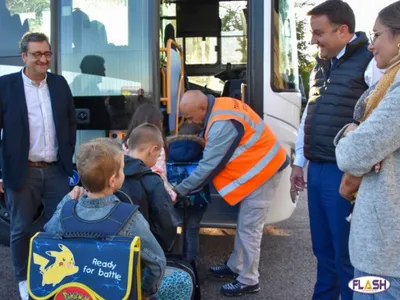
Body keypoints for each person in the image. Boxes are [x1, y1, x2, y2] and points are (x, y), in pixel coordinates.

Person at [290, 1, 382, 299]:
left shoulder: (371, 65)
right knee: (322, 249)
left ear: (343, 31)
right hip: (317, 168)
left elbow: (378, 121)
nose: (313, 40)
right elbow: (310, 113)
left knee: (347, 253)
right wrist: (298, 162)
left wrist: (357, 170)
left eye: (319, 33)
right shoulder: (322, 63)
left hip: (344, 173)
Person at [173, 90, 290, 297]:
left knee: (249, 228)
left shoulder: (221, 123)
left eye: (191, 117)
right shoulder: (222, 105)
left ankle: (249, 280)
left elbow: (208, 167)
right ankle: (236, 266)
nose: (191, 121)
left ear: (202, 108)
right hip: (262, 166)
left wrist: (178, 191)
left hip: (265, 171)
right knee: (245, 225)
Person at [0, 32, 76, 300]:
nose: (43, 59)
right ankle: (23, 280)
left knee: (61, 225)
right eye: (37, 54)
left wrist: (68, 155)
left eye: (47, 54)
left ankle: (58, 276)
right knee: (19, 228)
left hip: (56, 170)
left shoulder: (59, 83)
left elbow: (70, 121)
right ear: (24, 56)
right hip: (23, 171)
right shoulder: (5, 86)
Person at [44, 138, 166, 300]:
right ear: (113, 180)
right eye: (122, 169)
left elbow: (48, 236)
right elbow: (157, 263)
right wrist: (144, 293)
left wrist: (68, 199)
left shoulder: (66, 209)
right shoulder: (130, 218)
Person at [335, 2, 400, 299]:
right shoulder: (389, 83)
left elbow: (353, 155)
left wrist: (348, 135)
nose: (372, 46)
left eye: (377, 35)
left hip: (385, 260)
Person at [120, 123, 177, 252]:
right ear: (153, 150)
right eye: (157, 156)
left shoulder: (113, 173)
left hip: (116, 245)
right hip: (144, 250)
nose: (157, 159)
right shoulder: (152, 180)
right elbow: (165, 223)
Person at [166, 122, 209, 263]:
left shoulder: (170, 149)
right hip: (198, 198)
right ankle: (191, 261)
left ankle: (174, 259)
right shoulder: (203, 151)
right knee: (192, 229)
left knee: (175, 226)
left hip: (175, 196)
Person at [122, 102, 177, 202]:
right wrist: (171, 195)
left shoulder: (125, 145)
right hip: (151, 199)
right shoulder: (157, 148)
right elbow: (159, 176)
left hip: (130, 196)